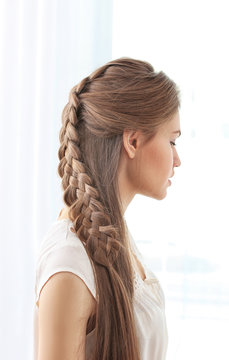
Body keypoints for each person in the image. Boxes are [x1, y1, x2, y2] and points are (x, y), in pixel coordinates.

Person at [34, 57, 181, 360]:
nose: (177, 160)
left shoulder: (112, 233)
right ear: (133, 140)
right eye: (172, 141)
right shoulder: (69, 261)